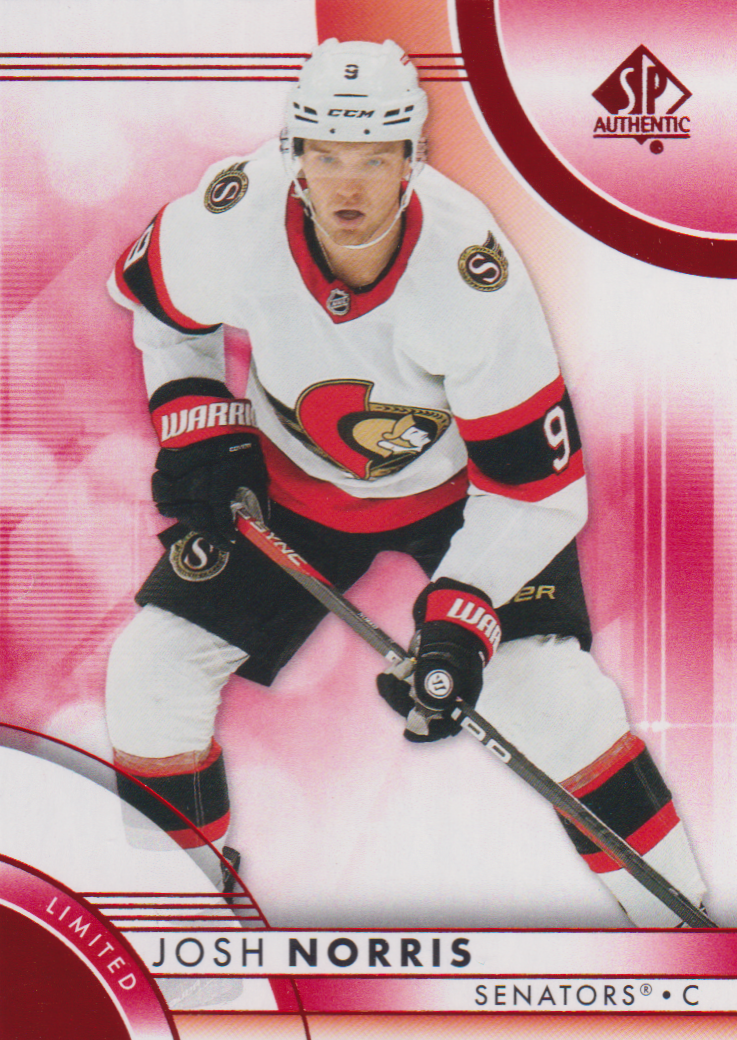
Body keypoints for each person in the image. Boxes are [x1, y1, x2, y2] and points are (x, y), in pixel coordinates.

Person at [106, 38, 706, 925]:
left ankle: (682, 927)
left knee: (551, 700)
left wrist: (461, 616)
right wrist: (196, 417)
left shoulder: (472, 277)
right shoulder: (237, 213)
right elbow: (156, 306)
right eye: (327, 157)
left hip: (464, 501)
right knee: (149, 672)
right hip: (291, 490)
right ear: (294, 154)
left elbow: (536, 490)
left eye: (373, 159)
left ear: (410, 159)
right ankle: (184, 934)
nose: (347, 187)